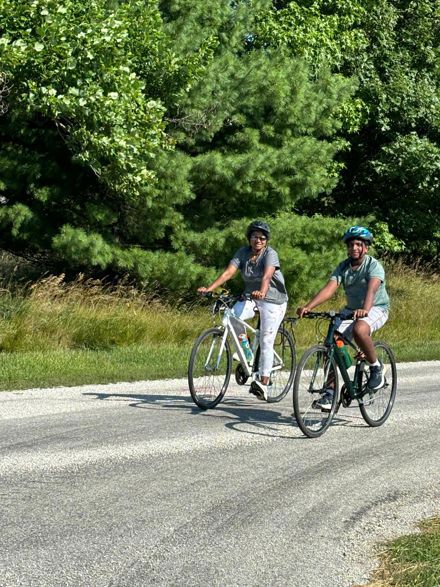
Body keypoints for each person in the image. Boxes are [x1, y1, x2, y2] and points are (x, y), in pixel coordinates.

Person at [297, 225, 390, 409]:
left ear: (366, 247)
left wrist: (365, 309)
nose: (354, 248)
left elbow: (372, 288)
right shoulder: (343, 266)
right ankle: (330, 393)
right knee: (331, 343)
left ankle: (376, 367)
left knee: (359, 329)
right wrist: (308, 306)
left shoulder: (373, 265)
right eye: (351, 245)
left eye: (358, 244)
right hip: (352, 309)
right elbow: (330, 288)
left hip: (376, 308)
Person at [198, 220, 288, 401]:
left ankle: (263, 381)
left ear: (266, 241)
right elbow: (228, 273)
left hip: (273, 301)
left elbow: (267, 275)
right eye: (254, 237)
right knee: (230, 317)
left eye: (262, 238)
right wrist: (210, 288)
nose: (258, 240)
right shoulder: (243, 253)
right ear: (249, 238)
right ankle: (247, 355)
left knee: (265, 339)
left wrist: (262, 291)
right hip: (252, 297)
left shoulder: (270, 254)